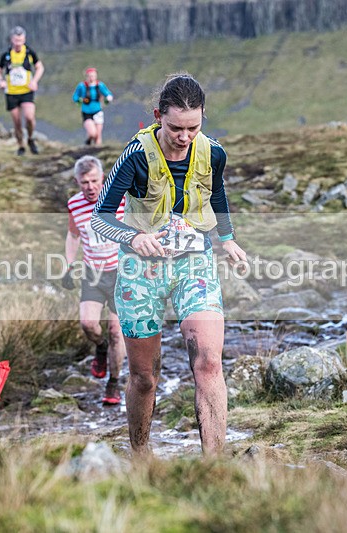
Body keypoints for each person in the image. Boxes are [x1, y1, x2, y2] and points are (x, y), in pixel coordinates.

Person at [90, 73, 247, 455]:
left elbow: (218, 190)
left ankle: (215, 466)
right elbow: (100, 216)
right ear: (159, 116)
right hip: (140, 271)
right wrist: (132, 236)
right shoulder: (136, 156)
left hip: (194, 264)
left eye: (193, 127)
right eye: (176, 127)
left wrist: (226, 239)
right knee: (145, 378)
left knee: (209, 364)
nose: (184, 136)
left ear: (202, 117)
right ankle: (141, 457)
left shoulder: (213, 152)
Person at [64, 155, 128, 404]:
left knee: (116, 331)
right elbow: (73, 235)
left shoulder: (121, 199)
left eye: (94, 181)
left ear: (102, 178)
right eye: (84, 182)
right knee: (88, 324)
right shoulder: (74, 205)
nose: (89, 187)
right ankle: (100, 349)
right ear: (77, 181)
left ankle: (113, 384)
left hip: (122, 273)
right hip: (92, 273)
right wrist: (69, 265)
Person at [0, 26, 44, 156]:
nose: (18, 44)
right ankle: (21, 145)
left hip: (26, 91)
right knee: (16, 121)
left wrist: (35, 81)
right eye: (16, 41)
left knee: (29, 117)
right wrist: (0, 81)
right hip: (11, 92)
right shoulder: (6, 55)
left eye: (20, 40)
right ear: (11, 40)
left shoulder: (29, 53)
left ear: (24, 39)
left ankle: (31, 138)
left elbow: (39, 67)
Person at [72, 67, 113, 146]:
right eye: (89, 76)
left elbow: (108, 93)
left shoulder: (100, 85)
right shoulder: (82, 86)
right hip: (86, 112)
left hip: (98, 111)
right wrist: (79, 100)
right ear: (86, 76)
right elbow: (75, 97)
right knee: (92, 133)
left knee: (98, 136)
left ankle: (98, 153)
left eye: (93, 76)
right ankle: (88, 142)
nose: (91, 78)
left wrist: (108, 98)